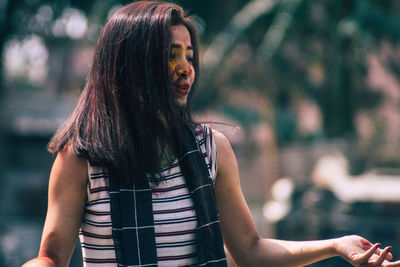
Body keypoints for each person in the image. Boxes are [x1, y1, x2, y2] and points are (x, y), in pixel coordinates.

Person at [23, 1, 400, 267]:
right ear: (131, 65)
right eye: (171, 55)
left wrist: (336, 245)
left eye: (189, 56)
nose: (186, 68)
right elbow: (51, 258)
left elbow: (250, 251)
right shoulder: (81, 157)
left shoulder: (210, 150)